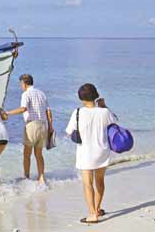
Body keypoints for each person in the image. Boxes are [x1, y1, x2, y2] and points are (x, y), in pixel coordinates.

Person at [65, 83, 116, 224]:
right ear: (95, 95)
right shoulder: (104, 112)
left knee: (88, 183)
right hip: (102, 151)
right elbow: (114, 123)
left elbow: (68, 133)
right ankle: (97, 209)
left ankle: (92, 214)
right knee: (100, 181)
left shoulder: (77, 112)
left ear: (81, 97)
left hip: (85, 153)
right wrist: (104, 106)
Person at [6, 74, 53, 184]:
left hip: (32, 125)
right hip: (43, 125)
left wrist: (8, 112)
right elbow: (48, 111)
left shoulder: (26, 94)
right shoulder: (42, 93)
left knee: (27, 154)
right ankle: (41, 177)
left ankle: (26, 177)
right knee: (39, 154)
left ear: (25, 84)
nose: (21, 86)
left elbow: (23, 108)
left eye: (21, 84)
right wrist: (50, 127)